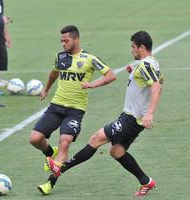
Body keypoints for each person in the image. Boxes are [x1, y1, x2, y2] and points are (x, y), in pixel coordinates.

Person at [47, 31, 163, 197]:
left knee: (96, 138)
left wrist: (150, 113)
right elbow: (159, 82)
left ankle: (60, 168)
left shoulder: (145, 65)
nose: (132, 50)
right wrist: (134, 69)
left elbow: (157, 86)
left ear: (142, 47)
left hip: (132, 119)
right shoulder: (151, 63)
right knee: (116, 151)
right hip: (132, 118)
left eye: (133, 47)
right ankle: (146, 181)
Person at [29, 25, 116, 195]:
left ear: (76, 39)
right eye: (61, 41)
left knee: (65, 142)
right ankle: (49, 151)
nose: (63, 44)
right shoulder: (60, 57)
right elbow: (54, 74)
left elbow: (111, 75)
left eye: (66, 40)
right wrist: (46, 89)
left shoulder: (89, 58)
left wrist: (93, 84)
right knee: (34, 139)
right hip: (56, 106)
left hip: (75, 110)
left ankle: (50, 183)